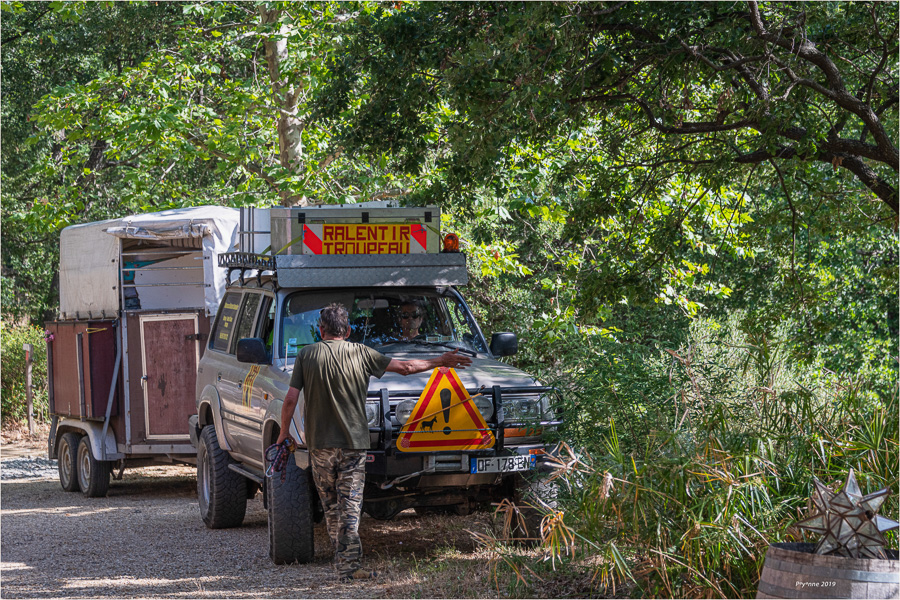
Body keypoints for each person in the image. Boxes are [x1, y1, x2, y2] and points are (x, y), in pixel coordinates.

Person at [276, 302, 472, 582]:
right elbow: (406, 368)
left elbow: (291, 399)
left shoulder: (307, 355)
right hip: (354, 443)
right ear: (348, 330)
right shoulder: (361, 352)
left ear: (321, 330)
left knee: (331, 505)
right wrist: (441, 360)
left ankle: (343, 563)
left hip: (320, 445)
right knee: (350, 505)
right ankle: (348, 566)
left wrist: (284, 433)